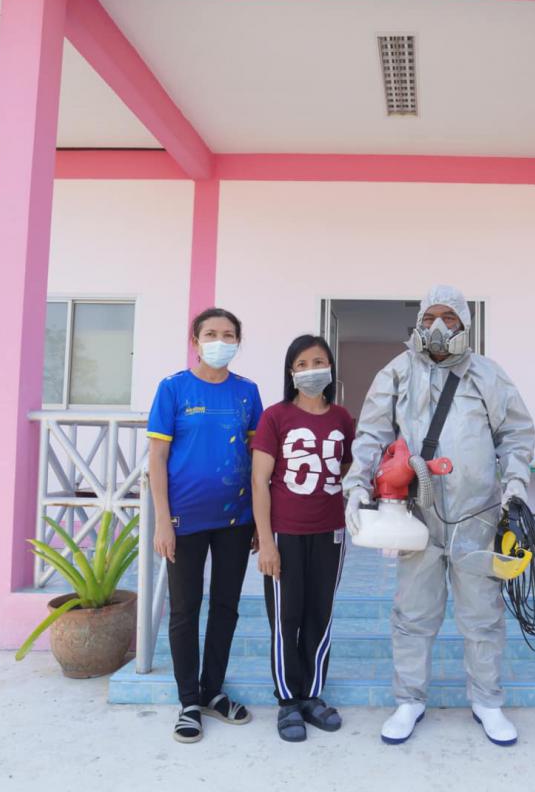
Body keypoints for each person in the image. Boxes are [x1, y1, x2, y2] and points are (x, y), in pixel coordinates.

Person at [342, 284, 535, 747]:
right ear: (418, 324)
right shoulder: (398, 372)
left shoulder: (487, 374)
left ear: (465, 324)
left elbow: (515, 433)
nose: (439, 327)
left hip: (478, 515)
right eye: (430, 318)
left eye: (449, 318)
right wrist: (356, 485)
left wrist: (515, 483)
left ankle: (487, 701)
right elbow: (371, 433)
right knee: (413, 611)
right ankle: (409, 700)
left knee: (483, 613)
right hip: (416, 515)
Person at [147, 307, 263, 744]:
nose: (220, 341)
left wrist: (260, 520)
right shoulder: (173, 388)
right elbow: (157, 458)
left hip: (236, 519)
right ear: (195, 341)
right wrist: (163, 521)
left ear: (238, 342)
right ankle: (188, 702)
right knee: (184, 609)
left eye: (228, 334)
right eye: (211, 333)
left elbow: (257, 461)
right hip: (185, 520)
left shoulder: (247, 393)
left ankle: (213, 690)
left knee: (226, 606)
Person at [251, 334, 356, 743]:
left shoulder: (342, 418)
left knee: (319, 614)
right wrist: (266, 541)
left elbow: (347, 469)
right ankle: (287, 701)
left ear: (331, 367)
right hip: (286, 532)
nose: (312, 370)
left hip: (331, 532)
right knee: (286, 618)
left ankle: (312, 695)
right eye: (303, 364)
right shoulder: (275, 417)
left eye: (319, 362)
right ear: (291, 372)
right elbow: (259, 481)